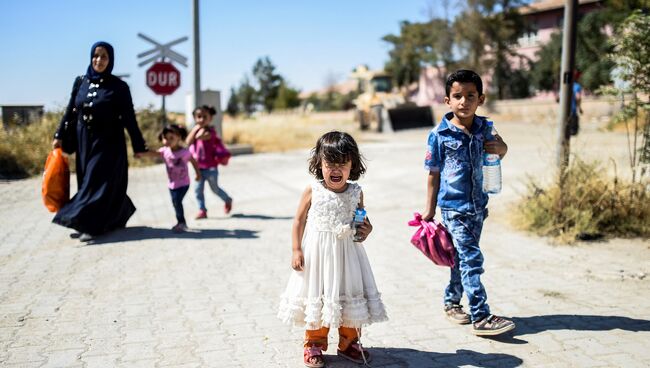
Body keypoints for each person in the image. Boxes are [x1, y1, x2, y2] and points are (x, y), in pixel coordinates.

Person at [277, 131, 387, 367]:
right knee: (320, 294)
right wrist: (296, 249)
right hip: (318, 256)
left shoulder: (356, 192)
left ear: (352, 165)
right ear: (319, 163)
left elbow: (361, 221)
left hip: (348, 255)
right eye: (330, 163)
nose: (336, 170)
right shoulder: (313, 190)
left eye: (342, 164)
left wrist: (366, 230)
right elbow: (299, 220)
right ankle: (314, 343)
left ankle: (349, 343)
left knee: (349, 295)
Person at [422, 70, 515, 336]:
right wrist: (429, 210)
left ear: (481, 98)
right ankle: (481, 316)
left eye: (470, 95)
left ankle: (452, 303)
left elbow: (502, 149)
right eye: (458, 96)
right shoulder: (439, 134)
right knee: (472, 258)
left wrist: (501, 149)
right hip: (453, 208)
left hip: (478, 205)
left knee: (460, 258)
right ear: (447, 100)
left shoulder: (486, 128)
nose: (464, 101)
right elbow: (433, 172)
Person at [51, 41, 148, 242]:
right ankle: (110, 215)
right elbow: (70, 111)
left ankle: (90, 225)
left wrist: (139, 146)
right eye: (96, 56)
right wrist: (58, 135)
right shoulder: (80, 82)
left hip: (109, 142)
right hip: (84, 140)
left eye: (104, 57)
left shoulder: (119, 87)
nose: (99, 60)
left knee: (94, 183)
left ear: (110, 60)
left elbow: (129, 119)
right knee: (86, 181)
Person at [139, 124, 201, 232]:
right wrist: (141, 154)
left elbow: (194, 162)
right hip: (172, 184)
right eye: (165, 138)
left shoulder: (184, 152)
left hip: (184, 183)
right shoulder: (165, 151)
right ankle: (180, 222)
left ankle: (182, 223)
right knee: (175, 203)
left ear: (179, 137)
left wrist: (198, 174)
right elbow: (153, 153)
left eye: (171, 138)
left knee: (177, 202)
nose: (168, 141)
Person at [186, 105, 233, 219]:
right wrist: (195, 128)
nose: (201, 119)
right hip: (198, 168)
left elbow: (200, 136)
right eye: (198, 117)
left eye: (204, 117)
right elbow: (187, 142)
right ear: (195, 118)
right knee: (198, 191)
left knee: (215, 189)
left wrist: (196, 128)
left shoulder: (210, 132)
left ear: (210, 118)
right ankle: (202, 210)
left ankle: (227, 199)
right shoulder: (197, 129)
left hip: (211, 168)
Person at [568, 71, 583, 136]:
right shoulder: (577, 86)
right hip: (573, 109)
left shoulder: (566, 86)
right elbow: (578, 97)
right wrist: (579, 108)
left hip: (565, 110)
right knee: (573, 132)